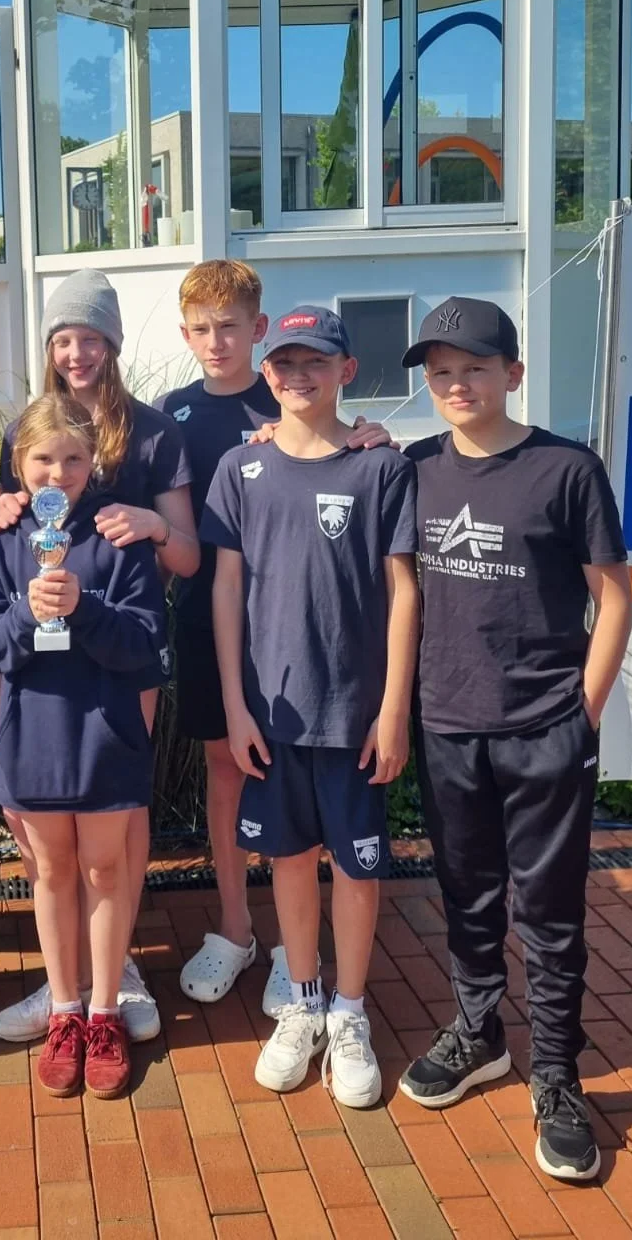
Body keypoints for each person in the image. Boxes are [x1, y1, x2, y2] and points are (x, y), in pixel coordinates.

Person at [395, 298, 632, 1181]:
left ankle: (560, 1075)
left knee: (552, 913)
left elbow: (614, 598)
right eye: (442, 371)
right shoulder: (414, 468)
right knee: (466, 895)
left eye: (476, 368)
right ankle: (479, 1031)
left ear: (514, 374)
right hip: (449, 723)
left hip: (544, 727)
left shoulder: (566, 469)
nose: (458, 384)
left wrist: (585, 710)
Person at [204, 305, 419, 1109]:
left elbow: (405, 594)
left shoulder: (380, 468)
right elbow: (227, 590)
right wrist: (235, 702)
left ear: (345, 371)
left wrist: (394, 708)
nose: (300, 377)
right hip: (273, 709)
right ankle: (302, 998)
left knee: (357, 869)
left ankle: (351, 1013)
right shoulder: (241, 468)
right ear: (267, 374)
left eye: (316, 362)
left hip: (356, 712)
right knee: (289, 858)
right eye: (285, 364)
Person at [159, 261, 390, 1009]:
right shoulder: (172, 412)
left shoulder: (288, 391)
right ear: (186, 335)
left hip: (299, 641)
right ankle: (235, 928)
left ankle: (304, 955)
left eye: (231, 326)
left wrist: (375, 432)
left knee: (299, 792)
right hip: (211, 624)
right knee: (229, 771)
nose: (216, 341)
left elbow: (359, 465)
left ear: (258, 331)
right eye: (202, 328)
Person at [0, 269, 198, 1046]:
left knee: (119, 809)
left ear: (111, 342)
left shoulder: (151, 431)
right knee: (59, 837)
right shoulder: (32, 430)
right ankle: (67, 981)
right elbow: (10, 529)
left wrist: (149, 522)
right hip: (43, 667)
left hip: (122, 645)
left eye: (90, 336)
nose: (76, 351)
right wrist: (3, 504)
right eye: (62, 338)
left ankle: (122, 970)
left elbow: (188, 558)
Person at [0, 393, 167, 1098]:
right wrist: (29, 609)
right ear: (20, 463)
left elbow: (146, 640)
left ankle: (106, 1012)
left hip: (106, 730)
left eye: (73, 459)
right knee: (50, 873)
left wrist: (84, 607)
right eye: (43, 458)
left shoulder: (119, 536)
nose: (58, 472)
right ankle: (64, 1009)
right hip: (33, 733)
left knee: (105, 873)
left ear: (93, 463)